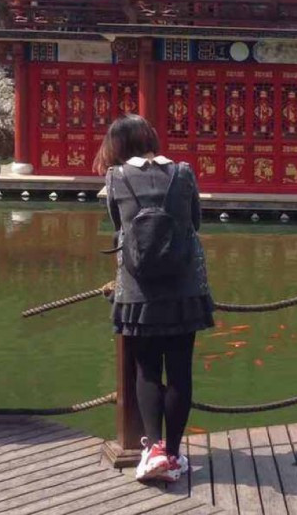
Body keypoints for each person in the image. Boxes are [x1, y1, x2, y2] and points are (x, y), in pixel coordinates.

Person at [93, 115, 214, 484]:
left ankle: (153, 450)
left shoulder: (116, 178)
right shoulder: (183, 173)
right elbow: (195, 222)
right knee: (180, 371)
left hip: (137, 292)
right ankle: (173, 454)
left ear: (117, 145)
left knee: (146, 370)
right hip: (184, 289)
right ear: (151, 138)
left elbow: (120, 226)